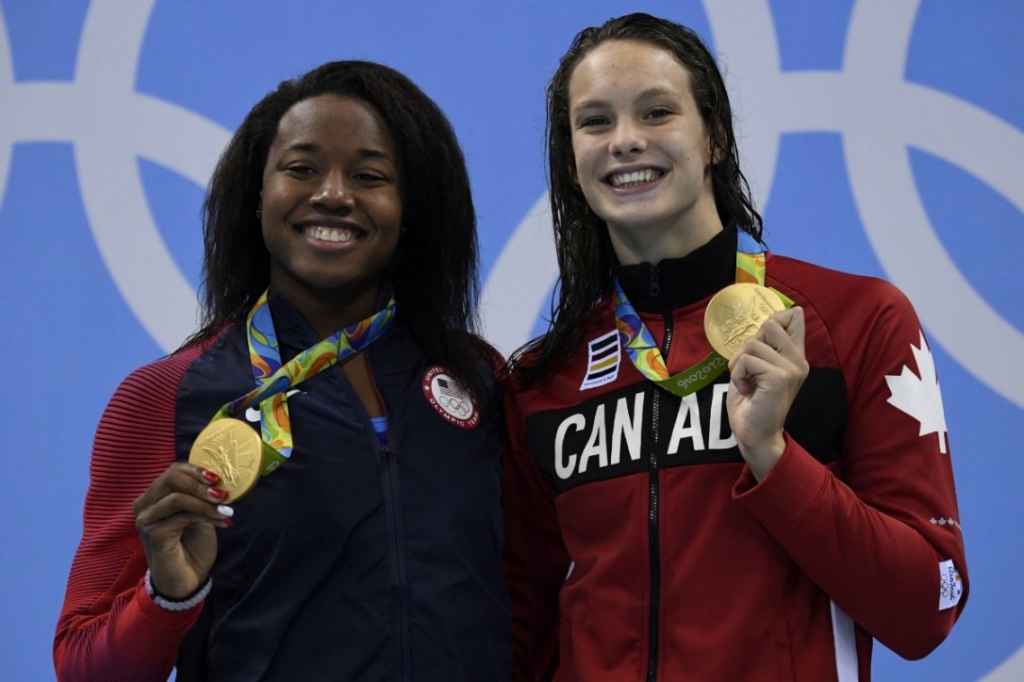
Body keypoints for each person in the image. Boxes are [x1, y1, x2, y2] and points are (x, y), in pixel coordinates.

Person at [502, 13, 968, 681]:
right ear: (571, 159)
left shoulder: (855, 320)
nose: (626, 141)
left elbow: (927, 605)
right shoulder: (540, 379)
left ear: (715, 137)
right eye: (596, 122)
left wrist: (775, 460)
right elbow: (525, 632)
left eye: (657, 112)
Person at [54, 60, 511, 681]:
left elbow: (528, 611)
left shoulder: (480, 380)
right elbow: (83, 667)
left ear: (411, 211)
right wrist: (168, 599)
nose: (333, 194)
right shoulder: (166, 395)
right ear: (257, 196)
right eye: (300, 169)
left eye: (370, 175)